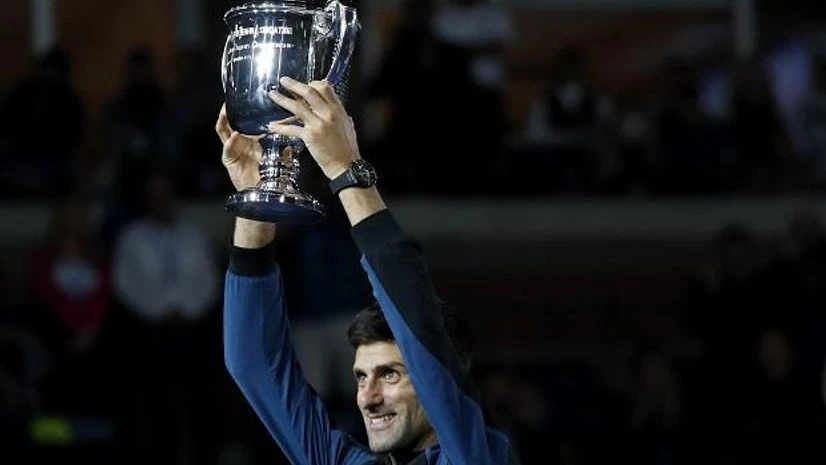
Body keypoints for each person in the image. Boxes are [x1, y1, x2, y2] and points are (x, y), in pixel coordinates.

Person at [219, 76, 517, 465]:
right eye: (362, 376)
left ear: (442, 377)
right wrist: (256, 202)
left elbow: (418, 323)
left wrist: (346, 169)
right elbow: (254, 361)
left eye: (391, 375)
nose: (368, 398)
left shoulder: (478, 457)